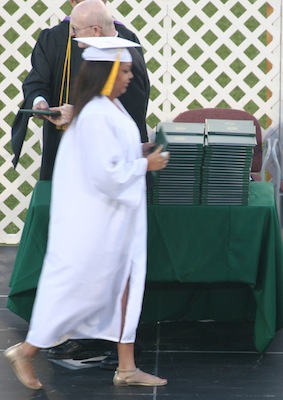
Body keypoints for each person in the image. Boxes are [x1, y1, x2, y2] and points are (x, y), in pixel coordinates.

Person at [4, 36, 168, 389]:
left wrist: (137, 149)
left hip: (116, 221)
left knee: (125, 287)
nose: (129, 77)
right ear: (105, 73)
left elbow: (111, 155)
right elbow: (103, 173)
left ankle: (126, 367)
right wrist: (144, 164)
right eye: (123, 71)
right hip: (97, 225)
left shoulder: (110, 107)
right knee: (79, 292)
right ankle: (27, 350)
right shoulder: (95, 114)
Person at [11, 0, 150, 181]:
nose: (73, 35)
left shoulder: (124, 46)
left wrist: (76, 115)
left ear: (96, 30)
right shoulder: (53, 38)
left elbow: (133, 105)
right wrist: (40, 104)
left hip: (107, 152)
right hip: (61, 140)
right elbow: (36, 83)